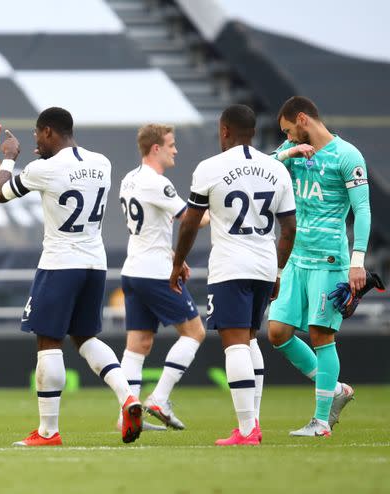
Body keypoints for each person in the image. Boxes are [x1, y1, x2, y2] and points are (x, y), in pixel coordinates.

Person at [0, 107, 143, 447]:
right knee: (85, 338)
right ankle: (128, 397)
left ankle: (47, 431)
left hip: (60, 262)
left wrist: (8, 159)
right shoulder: (102, 162)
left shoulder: (44, 168)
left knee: (48, 341)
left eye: (36, 137)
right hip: (94, 263)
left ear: (48, 133)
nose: (35, 145)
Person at [170, 104, 296, 446]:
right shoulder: (276, 169)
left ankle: (246, 430)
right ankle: (252, 423)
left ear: (224, 130)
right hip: (265, 264)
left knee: (235, 344)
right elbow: (289, 229)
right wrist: (279, 271)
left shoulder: (210, 168)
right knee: (251, 338)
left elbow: (190, 223)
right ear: (253, 132)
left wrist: (177, 261)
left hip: (231, 265)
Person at [266, 96, 370, 437]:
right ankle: (336, 389)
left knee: (321, 336)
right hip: (296, 258)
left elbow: (363, 210)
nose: (289, 137)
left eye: (289, 131)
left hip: (329, 261)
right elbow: (263, 171)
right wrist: (287, 153)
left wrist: (358, 263)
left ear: (302, 119)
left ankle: (322, 420)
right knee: (277, 332)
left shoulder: (347, 155)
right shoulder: (291, 152)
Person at [118, 124, 209, 431]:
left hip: (134, 269)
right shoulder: (157, 183)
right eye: (170, 144)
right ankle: (160, 398)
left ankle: (126, 415)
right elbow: (194, 219)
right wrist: (227, 206)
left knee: (138, 344)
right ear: (155, 148)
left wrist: (174, 255)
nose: (175, 150)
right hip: (155, 274)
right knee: (195, 332)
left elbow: (150, 230)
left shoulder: (129, 179)